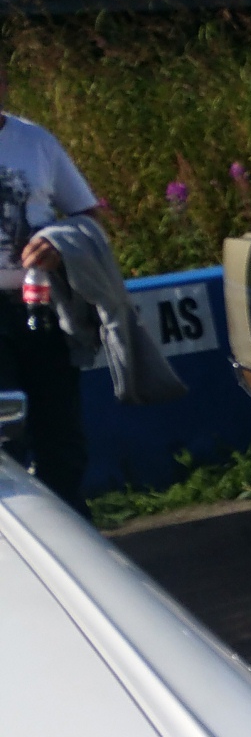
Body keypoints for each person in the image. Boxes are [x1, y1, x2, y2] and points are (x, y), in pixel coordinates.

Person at [0, 59, 101, 514]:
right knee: (5, 439)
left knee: (60, 435)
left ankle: (74, 531)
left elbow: (86, 216)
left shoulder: (35, 141)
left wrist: (59, 245)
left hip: (39, 305)